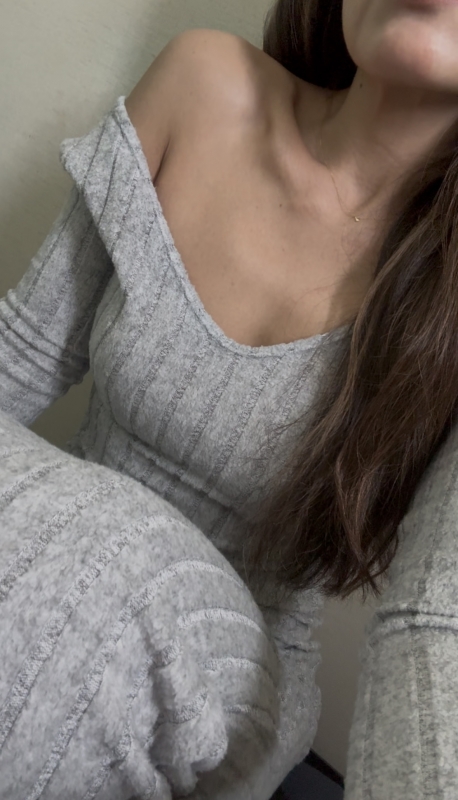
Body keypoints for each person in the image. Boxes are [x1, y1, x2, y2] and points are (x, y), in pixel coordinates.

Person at [1, 1, 458, 797]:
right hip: (37, 568)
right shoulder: (203, 85)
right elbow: (20, 355)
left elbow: (433, 632)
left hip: (229, 692)